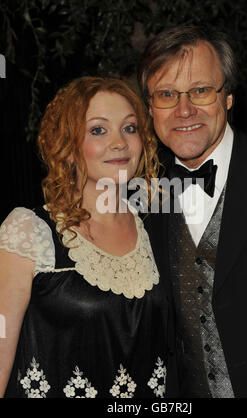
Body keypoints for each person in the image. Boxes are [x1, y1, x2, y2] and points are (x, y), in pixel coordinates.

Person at [138, 25, 247, 398]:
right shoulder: (139, 196)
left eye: (200, 90)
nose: (184, 110)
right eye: (166, 94)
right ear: (149, 107)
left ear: (227, 97)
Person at [0, 76, 178, 398]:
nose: (120, 142)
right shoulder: (28, 230)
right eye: (98, 130)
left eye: (130, 128)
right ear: (68, 148)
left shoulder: (157, 229)